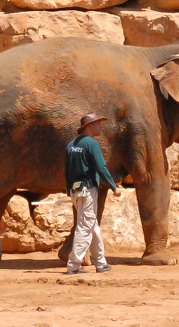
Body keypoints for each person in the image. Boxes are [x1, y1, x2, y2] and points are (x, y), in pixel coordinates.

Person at [64, 112, 120, 275]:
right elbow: (101, 167)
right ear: (89, 126)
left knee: (91, 225)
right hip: (87, 190)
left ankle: (100, 262)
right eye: (97, 124)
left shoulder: (71, 145)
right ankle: (74, 265)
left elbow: (67, 170)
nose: (100, 126)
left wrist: (69, 190)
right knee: (85, 226)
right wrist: (113, 186)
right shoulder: (92, 144)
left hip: (76, 191)